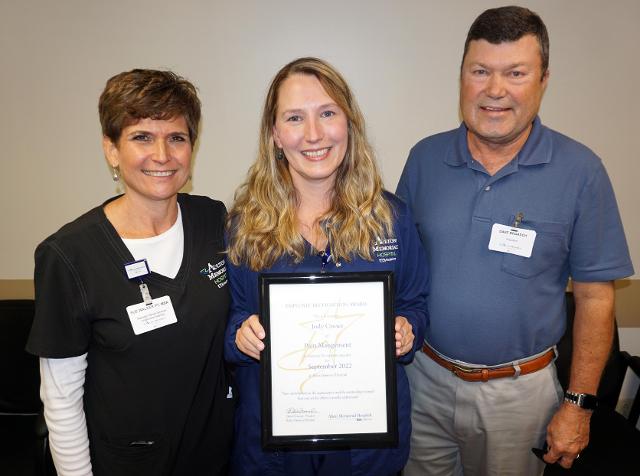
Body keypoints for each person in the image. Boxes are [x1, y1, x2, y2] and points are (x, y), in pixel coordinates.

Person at [396, 6, 634, 476]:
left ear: (543, 80)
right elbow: (395, 264)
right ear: (462, 76)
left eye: (515, 73)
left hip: (518, 398)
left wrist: (579, 405)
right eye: (480, 71)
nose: (495, 90)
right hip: (422, 380)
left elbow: (594, 298)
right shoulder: (424, 159)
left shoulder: (581, 172)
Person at [224, 57, 429, 476]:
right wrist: (239, 336)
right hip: (275, 451)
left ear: (349, 124)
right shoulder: (244, 226)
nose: (314, 134)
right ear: (275, 135)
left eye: (327, 113)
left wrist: (408, 330)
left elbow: (416, 303)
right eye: (295, 118)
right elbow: (227, 321)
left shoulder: (391, 218)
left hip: (366, 450)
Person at [26, 69, 234, 476]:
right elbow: (61, 397)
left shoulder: (213, 220)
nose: (162, 155)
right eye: (142, 137)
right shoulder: (69, 255)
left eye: (177, 137)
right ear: (111, 149)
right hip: (127, 462)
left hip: (215, 457)